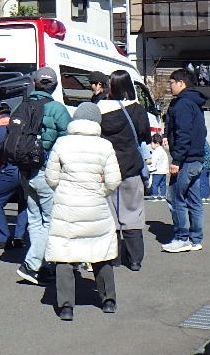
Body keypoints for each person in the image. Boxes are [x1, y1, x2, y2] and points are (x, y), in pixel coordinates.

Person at [44, 102, 122, 319]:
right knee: (100, 252)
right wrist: (101, 190)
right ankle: (108, 300)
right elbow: (114, 180)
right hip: (95, 205)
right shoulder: (105, 146)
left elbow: (51, 177)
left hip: (66, 207)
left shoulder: (62, 143)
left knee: (64, 253)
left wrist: (63, 189)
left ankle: (66, 306)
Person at [16, 67, 72, 286]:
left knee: (34, 219)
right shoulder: (57, 109)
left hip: (25, 171)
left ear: (34, 83)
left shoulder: (22, 106)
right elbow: (68, 139)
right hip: (46, 171)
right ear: (55, 86)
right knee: (50, 220)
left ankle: (43, 266)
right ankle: (31, 264)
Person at [96, 69, 151, 271]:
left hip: (106, 167)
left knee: (109, 214)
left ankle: (114, 257)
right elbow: (144, 135)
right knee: (133, 212)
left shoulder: (99, 108)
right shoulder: (137, 109)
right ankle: (135, 259)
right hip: (131, 166)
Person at [162, 69, 208, 253]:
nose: (170, 86)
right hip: (196, 157)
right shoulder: (195, 102)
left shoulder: (182, 104)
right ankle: (195, 238)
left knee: (175, 198)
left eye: (172, 82)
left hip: (186, 159)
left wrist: (177, 159)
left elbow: (183, 133)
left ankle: (182, 238)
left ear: (181, 83)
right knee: (194, 200)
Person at [0, 101, 27, 249]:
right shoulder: (20, 126)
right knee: (24, 203)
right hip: (26, 171)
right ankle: (19, 237)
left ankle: (1, 237)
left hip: (9, 171)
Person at [147, 134, 169, 200]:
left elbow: (154, 161)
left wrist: (150, 167)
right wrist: (167, 169)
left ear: (157, 143)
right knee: (162, 184)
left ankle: (154, 195)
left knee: (155, 184)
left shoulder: (156, 152)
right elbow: (166, 160)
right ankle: (163, 195)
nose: (151, 145)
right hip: (163, 171)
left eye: (152, 143)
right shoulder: (163, 151)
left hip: (157, 171)